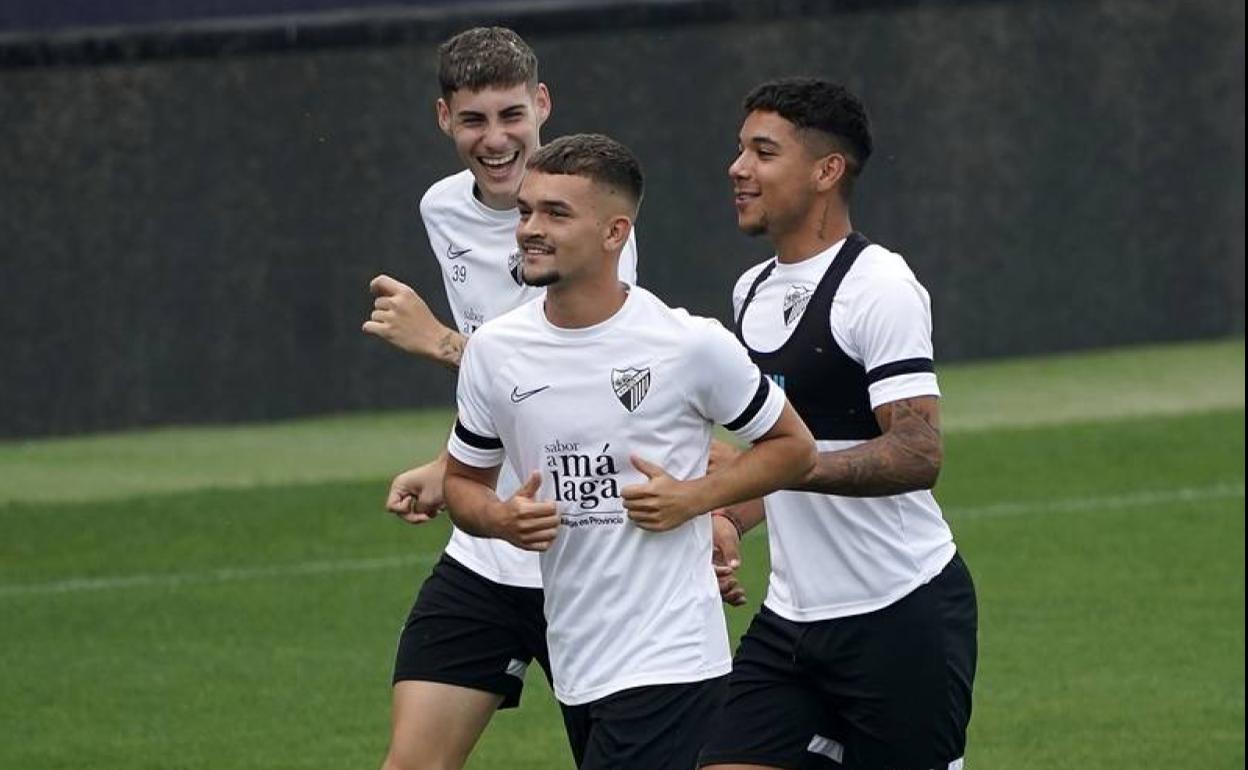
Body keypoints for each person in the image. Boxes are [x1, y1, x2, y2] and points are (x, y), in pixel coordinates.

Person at [442, 133, 817, 770]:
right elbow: (461, 486)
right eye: (527, 211)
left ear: (615, 232)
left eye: (557, 214)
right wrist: (499, 520)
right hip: (578, 659)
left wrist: (695, 501)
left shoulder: (689, 345)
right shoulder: (494, 353)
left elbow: (794, 449)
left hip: (670, 660)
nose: (531, 228)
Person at [358, 28, 641, 770]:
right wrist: (451, 466)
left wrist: (441, 343)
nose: (496, 138)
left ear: (542, 105)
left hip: (583, 551)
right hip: (488, 552)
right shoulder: (441, 208)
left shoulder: (590, 217)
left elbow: (578, 375)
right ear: (444, 118)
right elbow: (507, 387)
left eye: (512, 114)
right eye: (475, 119)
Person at [697, 78, 978, 770]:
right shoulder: (752, 291)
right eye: (740, 150)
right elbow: (774, 451)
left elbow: (918, 451)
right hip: (791, 622)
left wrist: (795, 464)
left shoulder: (878, 285)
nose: (738, 169)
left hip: (901, 615)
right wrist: (729, 518)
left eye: (763, 152)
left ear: (827, 172)